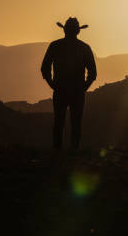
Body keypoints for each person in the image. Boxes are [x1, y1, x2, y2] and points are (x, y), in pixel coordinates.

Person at [41, 17, 97, 149]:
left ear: (64, 30)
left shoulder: (55, 46)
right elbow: (93, 73)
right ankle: (74, 152)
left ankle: (57, 152)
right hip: (77, 91)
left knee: (59, 122)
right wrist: (83, 88)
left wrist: (52, 84)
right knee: (76, 123)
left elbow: (45, 68)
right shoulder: (84, 48)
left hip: (60, 90)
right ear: (78, 32)